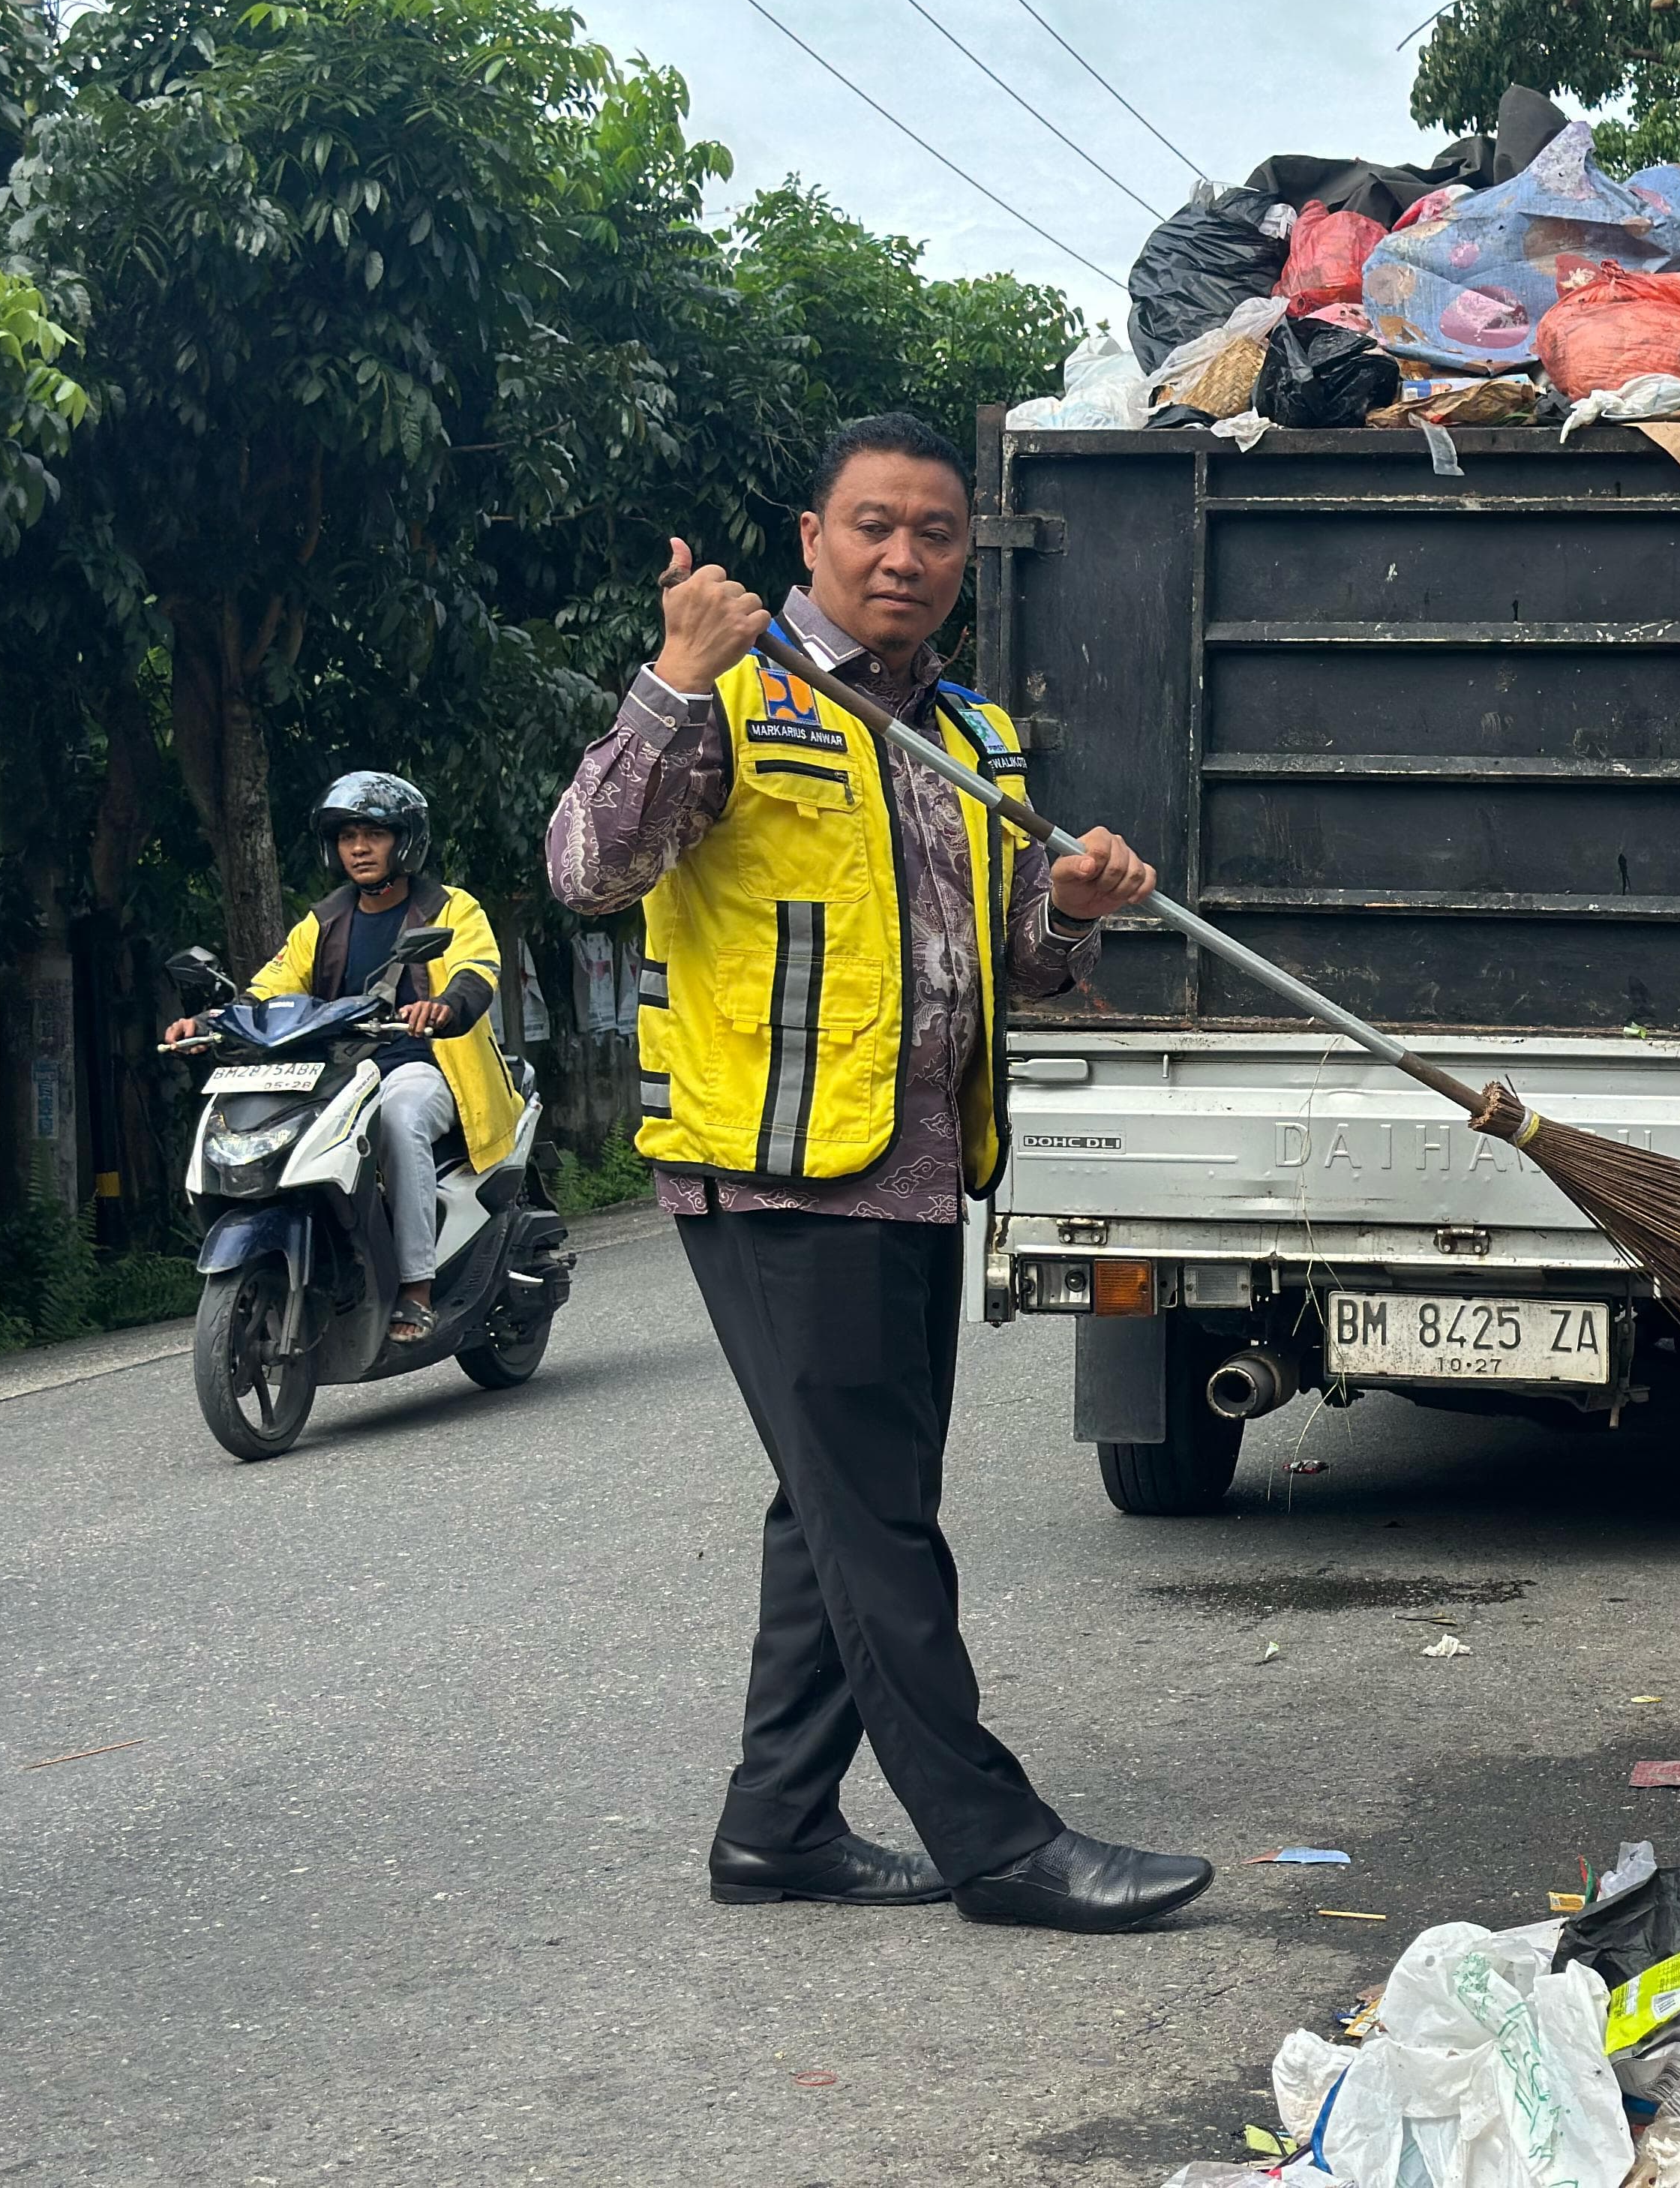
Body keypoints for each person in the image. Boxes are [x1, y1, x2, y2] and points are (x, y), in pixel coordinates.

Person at [544, 412, 1208, 1934]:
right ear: (812, 538)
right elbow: (587, 867)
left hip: (916, 1169)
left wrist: (1075, 904)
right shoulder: (733, 694)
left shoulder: (970, 735)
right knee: (878, 1526)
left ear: (968, 556)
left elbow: (1012, 961)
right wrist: (673, 678)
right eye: (873, 525)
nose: (905, 555)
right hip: (775, 1171)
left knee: (843, 1504)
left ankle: (777, 1824)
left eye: (936, 532)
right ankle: (996, 1842)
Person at [170, 772, 521, 1345]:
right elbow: (270, 988)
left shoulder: (451, 908)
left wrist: (445, 1005)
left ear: (405, 841)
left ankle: (416, 1287)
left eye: (374, 834)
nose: (359, 848)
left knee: (399, 1120)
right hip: (340, 1075)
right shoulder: (324, 921)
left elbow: (476, 969)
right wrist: (211, 1022)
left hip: (424, 1065)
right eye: (347, 836)